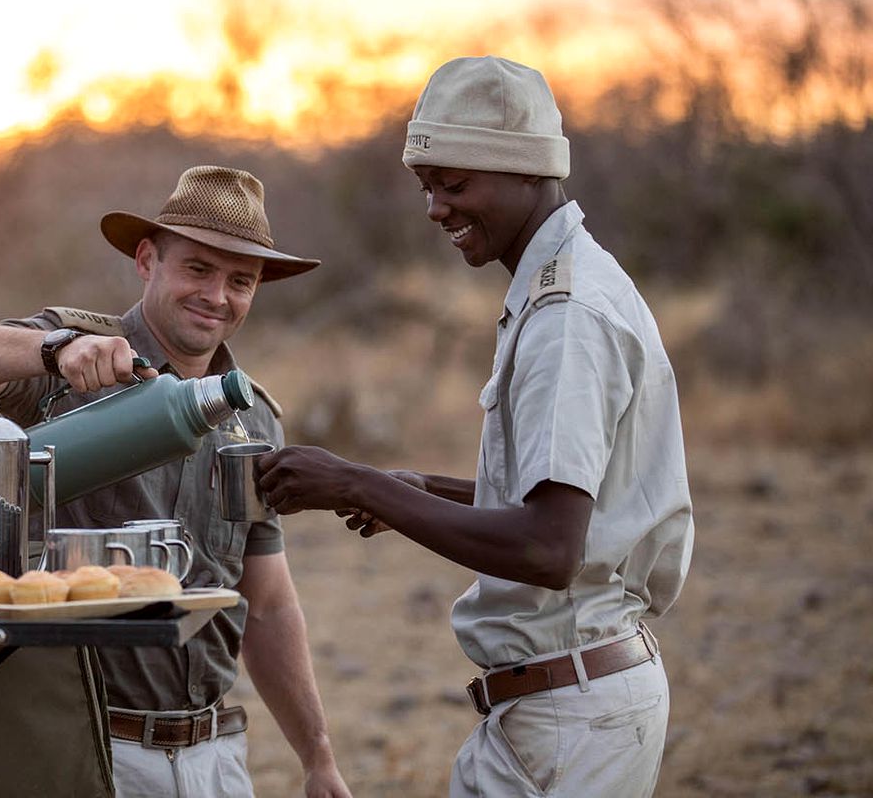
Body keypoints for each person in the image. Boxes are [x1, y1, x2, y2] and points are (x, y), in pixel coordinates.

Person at [257, 57, 695, 797]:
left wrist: (355, 480)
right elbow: (564, 510)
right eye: (427, 187)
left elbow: (550, 547)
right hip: (568, 704)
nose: (435, 209)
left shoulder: (567, 318)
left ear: (525, 170)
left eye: (454, 185)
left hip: (570, 721)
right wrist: (419, 489)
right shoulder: (561, 285)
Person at [0, 165, 351, 798]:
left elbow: (269, 601)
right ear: (148, 261)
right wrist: (53, 349)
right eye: (197, 269)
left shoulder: (255, 417)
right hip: (82, 745)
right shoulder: (80, 352)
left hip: (215, 753)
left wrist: (318, 757)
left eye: (240, 281)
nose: (217, 296)